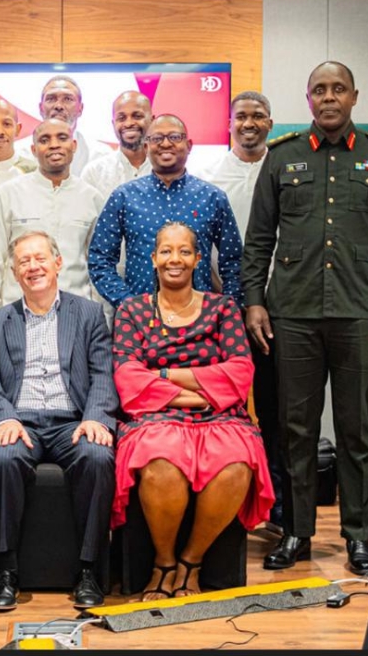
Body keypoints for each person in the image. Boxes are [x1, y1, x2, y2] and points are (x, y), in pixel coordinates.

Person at [243, 62, 368, 574]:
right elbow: (259, 240)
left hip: (361, 312)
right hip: (291, 313)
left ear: (354, 97)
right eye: (319, 90)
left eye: (338, 89)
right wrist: (255, 300)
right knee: (295, 428)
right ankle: (296, 533)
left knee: (357, 430)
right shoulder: (283, 157)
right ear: (308, 98)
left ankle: (358, 536)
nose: (328, 97)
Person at [111, 221, 275, 599]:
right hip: (155, 418)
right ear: (153, 259)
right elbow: (129, 378)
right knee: (161, 462)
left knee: (236, 464)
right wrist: (202, 389)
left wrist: (166, 374)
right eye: (166, 251)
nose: (175, 259)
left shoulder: (223, 309)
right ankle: (163, 562)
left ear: (198, 258)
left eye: (184, 251)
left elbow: (239, 372)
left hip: (220, 419)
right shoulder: (133, 310)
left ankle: (190, 563)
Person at [0, 231, 118, 612]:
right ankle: (5, 571)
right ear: (14, 272)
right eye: (24, 261)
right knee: (4, 458)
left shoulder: (89, 314)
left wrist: (95, 418)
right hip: (20, 421)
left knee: (98, 456)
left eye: (40, 258)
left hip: (71, 421)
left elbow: (103, 373)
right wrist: (4, 417)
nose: (33, 267)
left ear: (58, 264)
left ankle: (88, 570)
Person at [195, 91, 284, 532]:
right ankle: (227, 507)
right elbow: (207, 246)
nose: (249, 124)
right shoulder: (208, 174)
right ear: (228, 122)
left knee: (274, 408)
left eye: (258, 117)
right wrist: (228, 297)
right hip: (223, 307)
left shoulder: (285, 167)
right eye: (241, 117)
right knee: (224, 406)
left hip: (280, 306)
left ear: (271, 122)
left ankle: (275, 509)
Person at [88, 114, 245, 311]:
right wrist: (128, 304)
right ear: (146, 147)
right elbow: (99, 260)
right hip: (140, 322)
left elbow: (234, 262)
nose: (165, 144)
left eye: (174, 137)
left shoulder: (212, 197)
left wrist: (227, 309)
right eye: (156, 139)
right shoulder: (124, 197)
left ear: (189, 145)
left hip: (201, 321)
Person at [0, 118, 105, 318]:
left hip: (77, 316)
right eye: (45, 140)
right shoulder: (9, 194)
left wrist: (100, 319)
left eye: (62, 138)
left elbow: (98, 267)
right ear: (34, 150)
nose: (54, 145)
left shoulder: (92, 198)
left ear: (74, 146)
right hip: (17, 316)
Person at [16, 76, 109, 176]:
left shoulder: (101, 156)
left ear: (80, 109)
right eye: (51, 99)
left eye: (68, 99)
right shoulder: (19, 153)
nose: (58, 106)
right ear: (40, 108)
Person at [81, 91, 154, 198]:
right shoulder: (94, 173)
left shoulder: (169, 170)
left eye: (137, 116)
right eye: (121, 118)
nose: (129, 123)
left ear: (152, 120)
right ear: (113, 124)